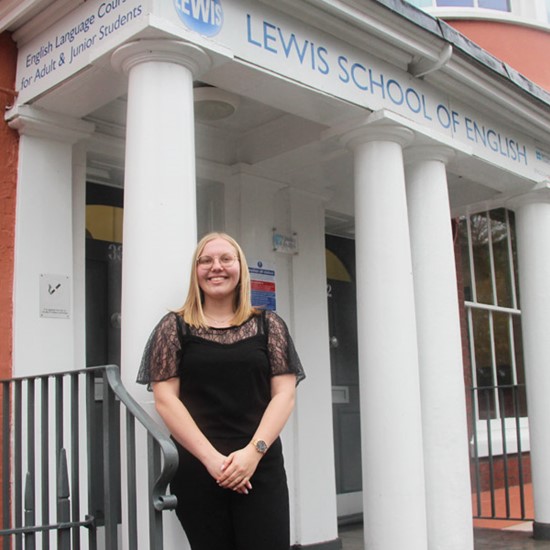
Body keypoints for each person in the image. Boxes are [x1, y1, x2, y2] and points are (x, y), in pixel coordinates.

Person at [136, 232, 305, 550]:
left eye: (226, 259)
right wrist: (213, 461)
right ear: (195, 271)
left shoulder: (269, 325)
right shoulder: (174, 328)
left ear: (240, 268)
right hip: (198, 469)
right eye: (206, 260)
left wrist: (251, 455)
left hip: (260, 465)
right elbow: (165, 399)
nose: (216, 267)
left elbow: (285, 394)